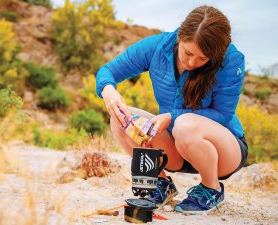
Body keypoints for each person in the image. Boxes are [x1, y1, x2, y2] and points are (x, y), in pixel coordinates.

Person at [96, 5, 248, 214]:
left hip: (223, 151)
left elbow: (223, 115)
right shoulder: (158, 46)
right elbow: (108, 70)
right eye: (188, 52)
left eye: (203, 59)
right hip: (175, 149)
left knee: (184, 125)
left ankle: (211, 189)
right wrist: (108, 90)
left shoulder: (231, 60)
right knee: (120, 119)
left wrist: (172, 116)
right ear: (180, 37)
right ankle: (160, 184)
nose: (192, 62)